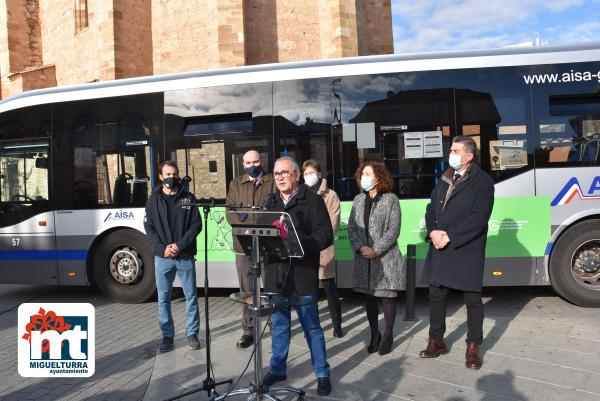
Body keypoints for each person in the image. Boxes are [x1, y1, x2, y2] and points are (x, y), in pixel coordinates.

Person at [419, 136, 494, 369]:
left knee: (472, 299)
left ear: (469, 156)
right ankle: (436, 341)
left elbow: (479, 218)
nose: (449, 154)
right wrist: (433, 232)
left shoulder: (483, 181)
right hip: (440, 245)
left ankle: (473, 347)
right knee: (436, 295)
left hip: (466, 247)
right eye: (450, 150)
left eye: (454, 150)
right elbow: (431, 208)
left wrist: (450, 236)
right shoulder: (445, 177)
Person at [262, 156, 334, 396]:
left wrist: (301, 245)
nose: (280, 177)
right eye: (276, 174)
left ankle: (322, 373)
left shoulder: (312, 201)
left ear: (297, 175)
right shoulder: (270, 201)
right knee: (280, 326)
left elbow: (325, 236)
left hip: (302, 274)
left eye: (284, 172)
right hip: (276, 276)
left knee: (312, 328)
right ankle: (277, 368)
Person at [144, 161, 202, 352]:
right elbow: (149, 228)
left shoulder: (188, 198)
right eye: (168, 174)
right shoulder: (153, 200)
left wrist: (179, 245)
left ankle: (192, 334)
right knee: (163, 297)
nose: (172, 177)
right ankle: (167, 336)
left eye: (175, 174)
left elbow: (196, 225)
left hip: (184, 255)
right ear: (160, 177)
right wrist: (163, 249)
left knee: (191, 296)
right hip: (162, 258)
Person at [348, 161, 404, 356]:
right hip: (364, 259)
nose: (364, 177)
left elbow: (393, 230)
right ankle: (374, 335)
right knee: (369, 298)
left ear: (379, 177)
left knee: (387, 298)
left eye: (368, 174)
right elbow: (352, 229)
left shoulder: (391, 199)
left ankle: (388, 335)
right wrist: (360, 247)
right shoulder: (358, 200)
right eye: (362, 173)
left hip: (385, 259)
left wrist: (376, 249)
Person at [225, 149, 275, 348]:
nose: (252, 166)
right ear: (243, 165)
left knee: (270, 287)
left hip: (268, 244)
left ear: (261, 161)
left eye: (256, 161)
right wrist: (244, 228)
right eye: (248, 163)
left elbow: (277, 208)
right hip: (243, 245)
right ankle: (248, 330)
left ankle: (274, 326)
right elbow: (230, 211)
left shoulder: (272, 181)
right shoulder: (235, 183)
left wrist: (261, 228)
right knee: (246, 291)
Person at [301, 159, 343, 338]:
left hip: (324, 248)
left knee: (329, 289)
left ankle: (337, 324)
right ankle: (313, 326)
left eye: (312, 172)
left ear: (319, 174)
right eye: (306, 173)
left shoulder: (330, 195)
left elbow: (333, 222)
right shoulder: (301, 193)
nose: (309, 176)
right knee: (309, 291)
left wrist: (317, 238)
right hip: (306, 249)